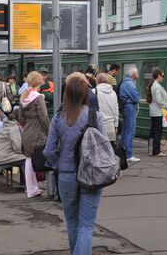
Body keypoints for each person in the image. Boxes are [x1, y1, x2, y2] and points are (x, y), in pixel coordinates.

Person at [43, 72, 105, 255]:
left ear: (66, 94)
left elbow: (48, 150)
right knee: (86, 225)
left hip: (67, 174)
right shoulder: (95, 117)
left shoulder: (59, 117)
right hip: (92, 175)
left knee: (72, 222)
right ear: (85, 93)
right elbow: (103, 149)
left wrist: (58, 165)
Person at [17, 71, 51, 198]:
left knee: (29, 160)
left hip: (27, 131)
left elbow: (20, 117)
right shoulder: (38, 97)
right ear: (39, 82)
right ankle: (39, 188)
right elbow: (44, 117)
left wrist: (27, 125)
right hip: (38, 131)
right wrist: (49, 131)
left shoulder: (24, 96)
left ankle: (31, 189)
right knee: (41, 158)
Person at [119, 67, 141, 163]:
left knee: (125, 131)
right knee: (130, 131)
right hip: (129, 108)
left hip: (125, 107)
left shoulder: (125, 82)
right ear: (133, 74)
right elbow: (137, 98)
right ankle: (128, 155)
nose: (138, 74)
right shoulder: (129, 84)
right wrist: (137, 96)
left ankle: (122, 152)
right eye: (137, 72)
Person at [147, 69, 167, 157]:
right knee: (157, 132)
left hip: (154, 112)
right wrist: (166, 105)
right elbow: (159, 100)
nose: (163, 78)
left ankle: (151, 150)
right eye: (162, 76)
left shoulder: (154, 85)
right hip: (158, 112)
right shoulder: (157, 86)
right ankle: (156, 151)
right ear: (159, 75)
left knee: (153, 131)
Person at [96, 73, 119, 144]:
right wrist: (116, 125)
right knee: (110, 149)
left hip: (99, 126)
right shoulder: (113, 93)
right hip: (111, 126)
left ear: (97, 81)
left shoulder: (94, 91)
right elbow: (116, 110)